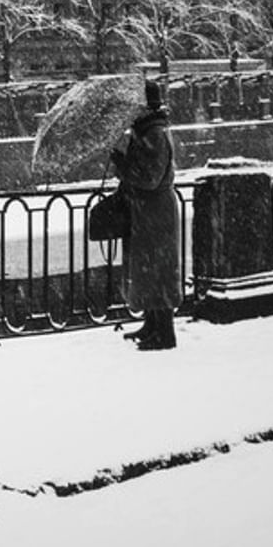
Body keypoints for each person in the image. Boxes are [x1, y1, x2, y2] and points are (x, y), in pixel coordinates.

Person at [110, 79, 181, 350]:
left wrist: (123, 166)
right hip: (149, 211)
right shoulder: (148, 131)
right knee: (149, 269)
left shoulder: (153, 134)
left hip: (155, 212)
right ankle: (153, 324)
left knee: (158, 269)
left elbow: (149, 178)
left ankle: (164, 333)